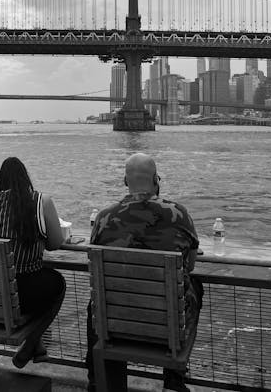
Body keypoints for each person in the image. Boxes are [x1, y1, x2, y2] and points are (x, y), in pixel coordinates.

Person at [86, 152, 203, 392]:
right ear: (156, 181)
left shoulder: (103, 218)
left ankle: (97, 380)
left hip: (116, 322)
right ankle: (174, 377)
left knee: (95, 302)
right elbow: (190, 266)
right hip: (166, 324)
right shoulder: (179, 214)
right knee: (195, 285)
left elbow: (94, 259)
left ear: (125, 181)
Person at [0, 156, 66, 369]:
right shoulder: (41, 201)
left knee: (40, 282)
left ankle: (37, 345)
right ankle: (32, 342)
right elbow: (55, 243)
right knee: (58, 283)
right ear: (26, 178)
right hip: (26, 292)